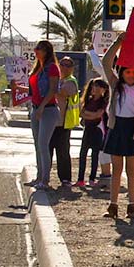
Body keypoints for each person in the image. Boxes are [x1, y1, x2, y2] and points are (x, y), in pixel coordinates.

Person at [101, 37, 134, 220]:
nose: (131, 75)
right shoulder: (116, 86)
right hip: (117, 127)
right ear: (122, 72)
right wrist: (119, 42)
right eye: (128, 72)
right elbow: (106, 62)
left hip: (133, 130)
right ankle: (113, 205)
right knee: (116, 169)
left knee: (132, 170)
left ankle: (132, 205)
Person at [27, 41, 64, 190]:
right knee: (37, 145)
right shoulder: (37, 68)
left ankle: (45, 179)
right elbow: (34, 90)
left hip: (48, 109)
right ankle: (39, 177)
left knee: (43, 145)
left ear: (47, 51)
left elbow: (53, 89)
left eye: (39, 49)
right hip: (36, 108)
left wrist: (42, 106)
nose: (36, 51)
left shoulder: (52, 68)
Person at [76, 78, 109, 189]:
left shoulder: (103, 102)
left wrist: (89, 114)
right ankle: (80, 179)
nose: (95, 88)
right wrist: (90, 114)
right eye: (94, 86)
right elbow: (82, 113)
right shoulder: (88, 99)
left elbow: (98, 115)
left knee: (95, 155)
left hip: (97, 130)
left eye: (98, 86)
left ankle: (92, 178)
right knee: (83, 154)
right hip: (88, 128)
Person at [52, 60, 80, 190]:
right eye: (62, 64)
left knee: (62, 152)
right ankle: (43, 177)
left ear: (72, 68)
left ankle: (65, 178)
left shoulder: (71, 81)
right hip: (52, 121)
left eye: (68, 65)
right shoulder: (57, 79)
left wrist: (51, 85)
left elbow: (62, 92)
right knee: (47, 150)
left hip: (64, 123)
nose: (64, 67)